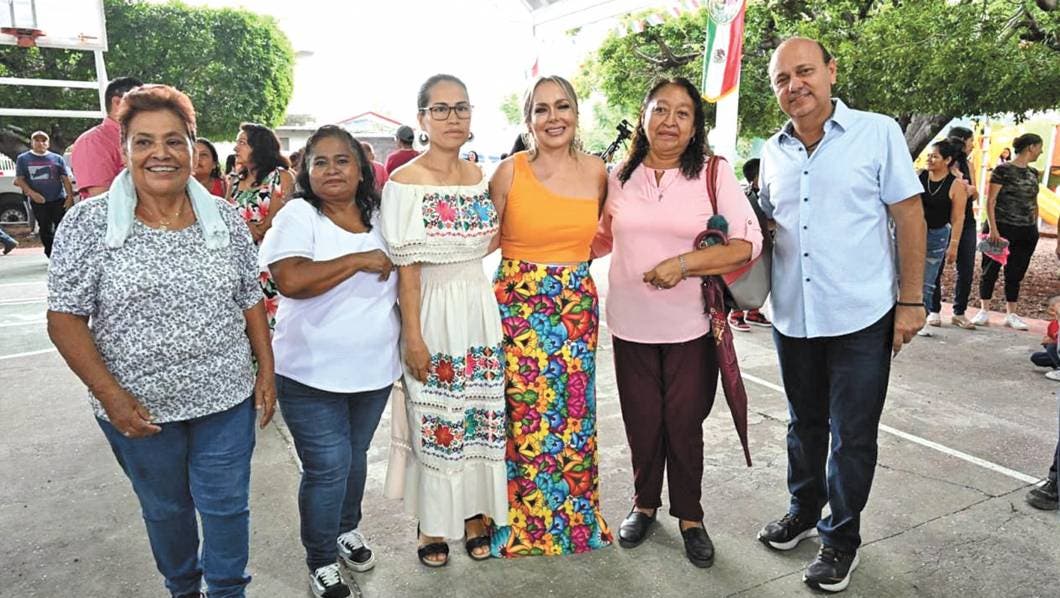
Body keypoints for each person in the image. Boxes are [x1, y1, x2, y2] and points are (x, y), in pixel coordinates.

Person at [46, 84, 276, 598]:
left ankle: (227, 590)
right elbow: (64, 319)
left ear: (193, 147)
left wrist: (265, 371)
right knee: (166, 509)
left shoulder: (224, 217)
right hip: (139, 409)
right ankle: (183, 588)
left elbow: (249, 298)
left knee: (226, 506)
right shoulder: (88, 223)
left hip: (224, 396)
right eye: (144, 141)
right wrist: (111, 396)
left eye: (174, 140)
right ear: (124, 148)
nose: (161, 154)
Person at [755, 38, 926, 593]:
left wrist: (911, 300)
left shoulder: (877, 133)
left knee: (852, 435)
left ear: (831, 71)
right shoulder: (772, 151)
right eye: (782, 79)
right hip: (793, 316)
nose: (794, 86)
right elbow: (770, 227)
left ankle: (840, 539)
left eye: (805, 71)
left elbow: (910, 216)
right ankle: (804, 512)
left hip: (861, 316)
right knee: (803, 425)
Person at [593, 77, 762, 569]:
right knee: (642, 422)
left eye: (682, 113)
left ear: (694, 126)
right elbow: (600, 238)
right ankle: (644, 505)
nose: (670, 121)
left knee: (684, 424)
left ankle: (690, 516)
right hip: (629, 323)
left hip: (692, 326)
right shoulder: (618, 176)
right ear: (643, 116)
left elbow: (747, 244)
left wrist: (683, 265)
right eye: (660, 109)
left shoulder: (713, 172)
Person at [261, 125, 400, 598]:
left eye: (342, 160)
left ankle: (346, 528)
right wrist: (358, 260)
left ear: (362, 169)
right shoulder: (299, 215)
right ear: (306, 171)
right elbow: (291, 279)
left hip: (373, 370)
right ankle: (320, 558)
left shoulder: (379, 215)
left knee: (354, 459)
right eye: (320, 162)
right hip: (310, 373)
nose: (331, 170)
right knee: (327, 467)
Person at [380, 74, 506, 567]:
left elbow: (489, 240)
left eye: (461, 107)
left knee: (477, 418)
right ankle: (431, 523)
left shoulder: (479, 176)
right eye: (441, 109)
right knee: (435, 419)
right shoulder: (404, 183)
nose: (453, 118)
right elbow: (407, 271)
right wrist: (413, 336)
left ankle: (474, 514)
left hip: (478, 308)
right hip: (431, 310)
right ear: (422, 118)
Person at [488, 75, 612, 558]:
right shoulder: (508, 172)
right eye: (541, 109)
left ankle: (576, 523)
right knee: (522, 415)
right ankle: (518, 524)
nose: (553, 117)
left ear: (576, 114)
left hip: (575, 306)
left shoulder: (598, 171)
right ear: (528, 120)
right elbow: (483, 238)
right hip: (518, 306)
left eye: (562, 106)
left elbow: (606, 233)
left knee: (573, 415)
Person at [969, 133, 1044, 331]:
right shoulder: (1003, 170)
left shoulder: (1033, 173)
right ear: (1030, 147)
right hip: (1001, 227)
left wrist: (1034, 226)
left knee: (1016, 272)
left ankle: (1011, 314)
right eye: (1039, 147)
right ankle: (984, 310)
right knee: (989, 270)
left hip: (1026, 230)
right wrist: (993, 229)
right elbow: (991, 200)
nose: (1041, 151)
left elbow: (1034, 201)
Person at [229, 122, 295, 328]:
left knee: (272, 324)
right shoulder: (234, 181)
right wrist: (245, 228)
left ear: (259, 146)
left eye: (242, 143)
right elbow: (224, 222)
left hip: (269, 266)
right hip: (238, 266)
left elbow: (272, 224)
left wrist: (244, 228)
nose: (236, 148)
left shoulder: (280, 177)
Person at [916, 139, 968, 337]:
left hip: (937, 235)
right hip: (913, 232)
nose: (930, 159)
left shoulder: (955, 185)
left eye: (935, 156)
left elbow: (958, 217)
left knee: (928, 279)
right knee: (902, 274)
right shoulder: (920, 176)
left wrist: (953, 244)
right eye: (929, 155)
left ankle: (921, 318)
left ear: (947, 160)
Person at [932, 126, 980, 330]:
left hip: (966, 220)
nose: (972, 146)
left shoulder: (969, 165)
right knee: (936, 266)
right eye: (970, 141)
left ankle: (959, 312)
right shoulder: (941, 164)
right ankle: (933, 309)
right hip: (943, 221)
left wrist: (970, 190)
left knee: (966, 267)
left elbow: (975, 194)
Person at [69, 76, 143, 200]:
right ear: (118, 102)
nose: (150, 109)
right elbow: (102, 200)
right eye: (143, 102)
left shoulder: (143, 137)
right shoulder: (93, 142)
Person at [728, 157, 772, 331]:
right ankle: (736, 314)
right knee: (745, 279)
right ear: (755, 178)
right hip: (749, 246)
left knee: (762, 278)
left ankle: (754, 312)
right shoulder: (746, 197)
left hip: (766, 245)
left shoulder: (768, 194)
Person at [14, 131, 74, 257]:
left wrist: (70, 197)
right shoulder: (23, 159)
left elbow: (65, 179)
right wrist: (32, 193)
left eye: (43, 140)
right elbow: (19, 180)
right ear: (32, 143)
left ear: (48, 143)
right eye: (37, 140)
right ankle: (51, 254)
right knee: (45, 228)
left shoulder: (57, 158)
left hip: (58, 199)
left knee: (62, 226)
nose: (40, 143)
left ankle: (64, 253)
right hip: (39, 201)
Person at [1030, 295, 1060, 381]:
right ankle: (1057, 365)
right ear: (1052, 310)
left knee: (1051, 346)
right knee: (1036, 357)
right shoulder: (1052, 325)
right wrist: (1047, 341)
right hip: (1057, 351)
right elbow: (1049, 339)